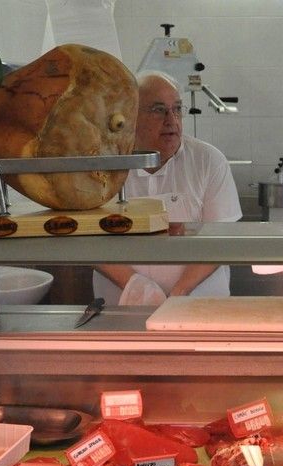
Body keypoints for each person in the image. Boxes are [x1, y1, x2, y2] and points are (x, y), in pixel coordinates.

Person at [93, 70, 242, 304]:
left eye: (177, 109)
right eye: (158, 110)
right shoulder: (102, 165)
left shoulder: (208, 161)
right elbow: (89, 239)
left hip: (199, 306)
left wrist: (178, 293)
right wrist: (135, 286)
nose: (171, 120)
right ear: (130, 116)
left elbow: (221, 239)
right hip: (123, 306)